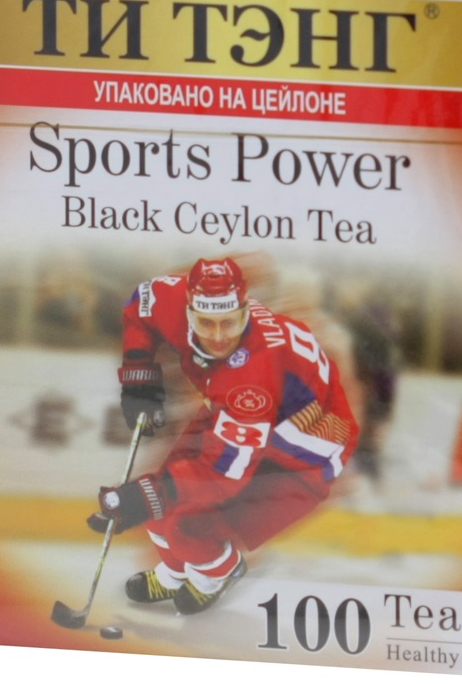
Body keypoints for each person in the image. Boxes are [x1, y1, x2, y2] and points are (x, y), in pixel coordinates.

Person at [89, 257, 359, 615]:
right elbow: (143, 303)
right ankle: (175, 573)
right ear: (188, 310)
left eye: (229, 323)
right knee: (160, 503)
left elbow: (223, 476)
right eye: (206, 323)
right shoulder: (180, 301)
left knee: (188, 522)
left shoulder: (252, 379)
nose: (218, 338)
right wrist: (138, 373)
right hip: (245, 414)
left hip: (300, 452)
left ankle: (217, 574)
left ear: (245, 312)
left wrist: (148, 495)